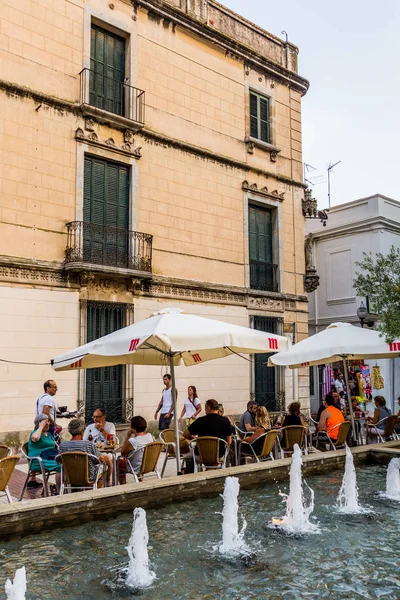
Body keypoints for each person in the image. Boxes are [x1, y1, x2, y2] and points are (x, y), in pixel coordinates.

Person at [59, 419, 111, 486]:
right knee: (104, 465)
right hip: (89, 477)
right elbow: (101, 459)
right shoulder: (88, 445)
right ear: (82, 432)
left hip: (69, 477)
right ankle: (97, 492)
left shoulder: (62, 446)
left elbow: (59, 461)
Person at [183, 399, 232, 470]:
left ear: (209, 408)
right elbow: (229, 442)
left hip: (201, 455)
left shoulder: (200, 421)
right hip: (218, 455)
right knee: (221, 453)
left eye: (205, 408)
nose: (205, 410)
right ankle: (211, 469)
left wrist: (195, 439)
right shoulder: (225, 421)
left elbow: (185, 434)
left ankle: (206, 471)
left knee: (191, 454)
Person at [28, 414, 61, 493]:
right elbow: (35, 438)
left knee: (67, 463)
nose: (48, 424)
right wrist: (41, 427)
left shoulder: (49, 434)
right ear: (38, 424)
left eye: (48, 422)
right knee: (60, 466)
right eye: (45, 422)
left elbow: (56, 446)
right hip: (37, 461)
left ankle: (63, 487)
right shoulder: (35, 433)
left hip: (49, 458)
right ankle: (58, 490)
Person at [118, 416, 154, 484]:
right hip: (149, 465)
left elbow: (123, 453)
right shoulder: (150, 436)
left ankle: (123, 485)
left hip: (136, 467)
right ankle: (140, 480)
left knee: (118, 462)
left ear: (133, 428)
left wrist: (128, 436)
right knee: (138, 457)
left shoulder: (132, 441)